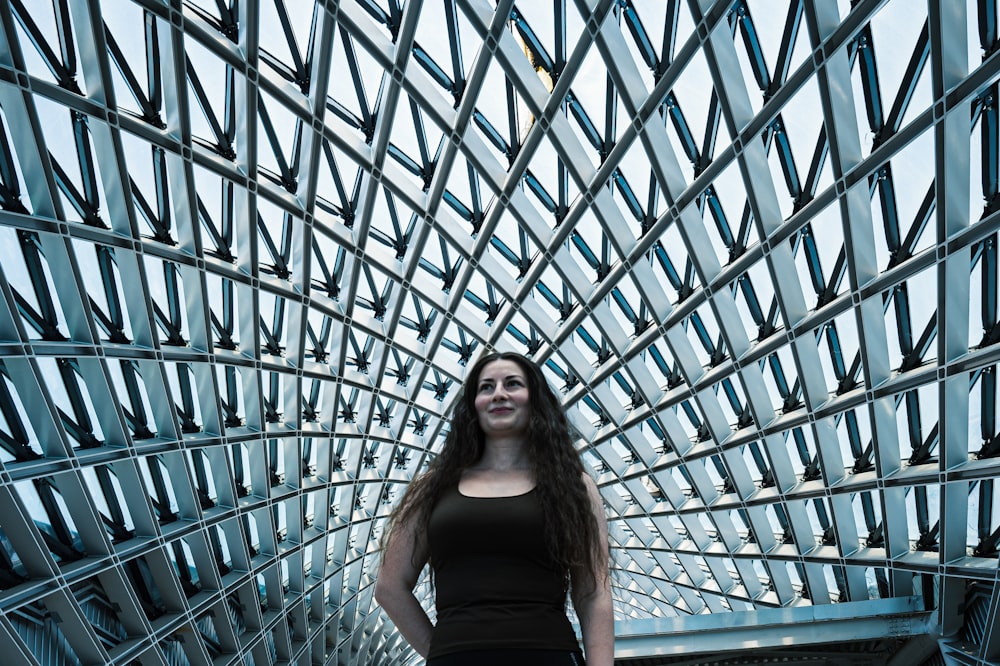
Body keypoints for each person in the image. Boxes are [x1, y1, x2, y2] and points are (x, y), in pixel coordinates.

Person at [374, 351, 614, 665]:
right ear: (473, 405)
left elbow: (593, 593)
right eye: (486, 387)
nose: (498, 393)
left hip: (549, 656)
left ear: (534, 399)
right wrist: (441, 651)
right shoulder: (431, 488)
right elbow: (390, 586)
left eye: (512, 383)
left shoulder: (574, 487)